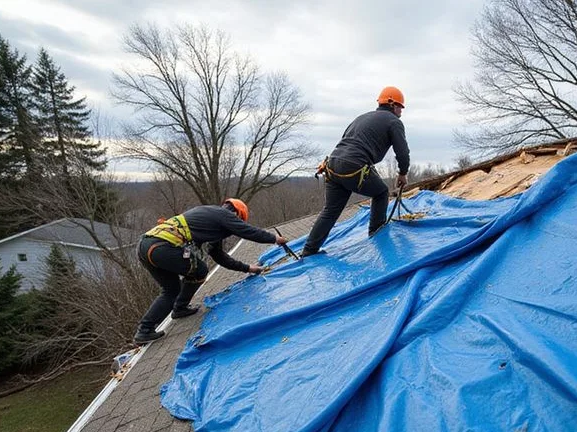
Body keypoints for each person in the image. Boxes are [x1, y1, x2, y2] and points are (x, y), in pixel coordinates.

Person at [134, 198, 288, 344]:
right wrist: (274, 239)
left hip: (146, 247)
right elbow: (247, 231)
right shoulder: (223, 214)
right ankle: (179, 306)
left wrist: (247, 268)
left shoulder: (210, 219)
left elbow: (219, 257)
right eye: (238, 220)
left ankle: (145, 330)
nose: (236, 224)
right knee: (200, 270)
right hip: (161, 247)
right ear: (235, 214)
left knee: (171, 290)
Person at [303, 86, 411, 257]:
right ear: (392, 105)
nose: (401, 112)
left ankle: (309, 251)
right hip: (353, 165)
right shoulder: (394, 122)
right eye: (400, 107)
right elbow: (402, 152)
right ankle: (377, 237)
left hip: (333, 164)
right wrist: (403, 173)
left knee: (330, 211)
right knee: (381, 192)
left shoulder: (362, 117)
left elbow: (349, 143)